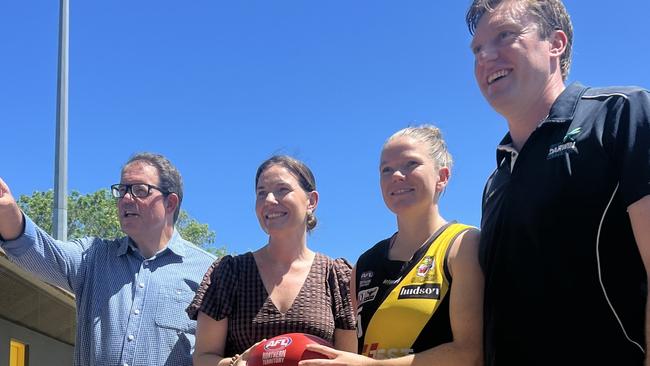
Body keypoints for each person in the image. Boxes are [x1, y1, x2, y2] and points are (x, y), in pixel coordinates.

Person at [466, 1, 650, 365]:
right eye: (476, 49)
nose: (485, 55)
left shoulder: (621, 114)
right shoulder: (496, 180)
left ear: (556, 43)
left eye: (504, 35)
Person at [0, 152, 215, 366]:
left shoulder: (209, 272)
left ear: (170, 203)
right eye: (122, 190)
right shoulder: (92, 257)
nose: (126, 199)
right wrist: (8, 212)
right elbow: (40, 252)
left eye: (140, 190)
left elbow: (219, 354)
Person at [300, 125, 483, 366]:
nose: (396, 175)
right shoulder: (365, 264)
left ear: (442, 177)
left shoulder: (463, 245)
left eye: (411, 164)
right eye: (386, 169)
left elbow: (469, 352)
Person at [187, 155, 357, 366]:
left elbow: (349, 360)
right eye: (261, 193)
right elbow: (203, 357)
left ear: (311, 201)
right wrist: (235, 364)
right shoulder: (229, 273)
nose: (268, 200)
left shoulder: (336, 276)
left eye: (282, 189)